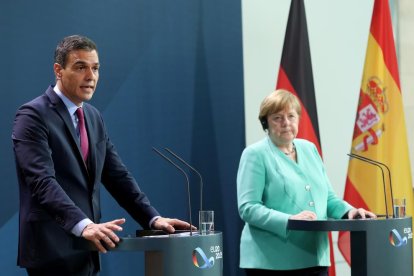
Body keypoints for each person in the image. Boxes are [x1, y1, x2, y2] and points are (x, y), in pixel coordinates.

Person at [12, 35, 194, 276]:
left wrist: (153, 219)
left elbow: (117, 176)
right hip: (51, 250)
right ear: (58, 70)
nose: (91, 76)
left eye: (95, 68)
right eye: (80, 67)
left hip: (87, 248)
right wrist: (84, 225)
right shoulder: (33, 115)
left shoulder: (93, 117)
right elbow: (41, 182)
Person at [237, 89, 376, 276]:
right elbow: (248, 207)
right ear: (266, 123)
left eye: (291, 116)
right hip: (272, 262)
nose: (286, 123)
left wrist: (349, 211)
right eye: (277, 118)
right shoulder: (255, 154)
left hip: (315, 257)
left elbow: (328, 198)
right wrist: (288, 220)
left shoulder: (309, 149)